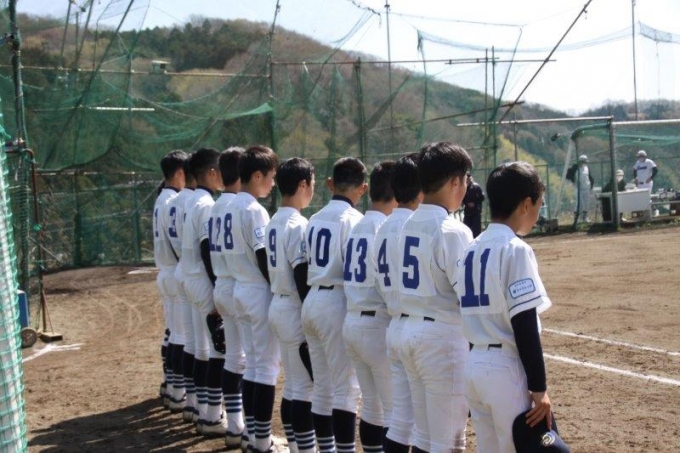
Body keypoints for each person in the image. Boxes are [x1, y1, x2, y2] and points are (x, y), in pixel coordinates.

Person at [457, 161, 555, 453]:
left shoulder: (470, 248)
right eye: (538, 204)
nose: (538, 212)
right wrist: (539, 389)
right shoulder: (515, 249)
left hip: (474, 365)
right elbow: (524, 324)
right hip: (505, 370)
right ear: (525, 204)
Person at [397, 142, 473, 453]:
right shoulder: (453, 230)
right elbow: (468, 297)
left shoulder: (405, 222)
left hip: (410, 332)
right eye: (465, 180)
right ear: (454, 181)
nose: (466, 187)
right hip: (442, 339)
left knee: (424, 438)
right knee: (449, 443)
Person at [302, 157, 367, 453]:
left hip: (312, 298)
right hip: (336, 302)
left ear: (331, 184)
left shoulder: (314, 218)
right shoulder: (355, 220)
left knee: (322, 387)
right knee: (345, 390)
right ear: (363, 188)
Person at [223, 145, 280, 453]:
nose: (272, 183)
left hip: (238, 289)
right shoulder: (254, 209)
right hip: (257, 291)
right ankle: (261, 440)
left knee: (253, 367)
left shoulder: (229, 205)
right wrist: (279, 288)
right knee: (265, 369)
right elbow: (262, 256)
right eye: (270, 176)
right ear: (257, 175)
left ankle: (251, 436)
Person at [342, 161, 397, 452]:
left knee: (372, 408)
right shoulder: (386, 228)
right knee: (395, 413)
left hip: (353, 321)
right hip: (377, 324)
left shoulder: (357, 224)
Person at [265, 158, 317, 453]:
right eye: (312, 183)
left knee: (294, 385)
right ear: (302, 184)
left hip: (278, 304)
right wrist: (311, 315)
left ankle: (298, 447)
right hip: (294, 308)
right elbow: (301, 273)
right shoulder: (298, 224)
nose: (312, 190)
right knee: (305, 388)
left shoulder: (273, 219)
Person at [374, 153, 422, 453]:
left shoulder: (383, 226)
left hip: (395, 325)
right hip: (421, 328)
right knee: (429, 429)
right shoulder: (419, 225)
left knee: (400, 422)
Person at [180, 147, 225, 435]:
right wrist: (218, 286)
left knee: (200, 349)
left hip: (189, 278)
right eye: (220, 170)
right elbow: (207, 248)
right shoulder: (207, 204)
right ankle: (212, 416)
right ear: (211, 172)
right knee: (217, 352)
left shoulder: (193, 200)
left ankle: (197, 407)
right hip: (203, 280)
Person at [209, 147, 248, 445]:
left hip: (221, 283)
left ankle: (235, 425)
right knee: (249, 363)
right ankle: (246, 429)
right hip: (238, 286)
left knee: (231, 358)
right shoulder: (241, 206)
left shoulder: (216, 206)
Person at [153, 150, 188, 411]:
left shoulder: (161, 198)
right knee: (181, 337)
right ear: (179, 173)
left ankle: (171, 385)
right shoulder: (172, 200)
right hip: (175, 272)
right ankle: (177, 391)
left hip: (165, 272)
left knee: (173, 333)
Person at [169, 155, 199, 423]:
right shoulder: (198, 201)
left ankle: (182, 395)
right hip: (194, 274)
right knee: (204, 348)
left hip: (178, 268)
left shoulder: (173, 200)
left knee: (183, 338)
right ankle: (198, 404)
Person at [566, 154, 593, 223]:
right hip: (579, 188)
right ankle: (577, 218)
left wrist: (591, 186)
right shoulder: (575, 167)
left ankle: (585, 217)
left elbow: (589, 177)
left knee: (586, 202)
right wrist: (574, 181)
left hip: (586, 187)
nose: (584, 163)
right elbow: (568, 175)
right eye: (583, 162)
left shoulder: (587, 168)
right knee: (579, 203)